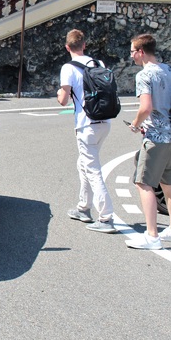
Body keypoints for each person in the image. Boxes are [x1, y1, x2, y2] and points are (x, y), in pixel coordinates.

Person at [56, 29, 117, 233]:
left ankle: (106, 217)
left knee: (92, 169)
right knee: (83, 164)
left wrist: (59, 93)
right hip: (104, 121)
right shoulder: (98, 64)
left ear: (67, 47)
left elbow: (63, 99)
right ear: (84, 45)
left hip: (86, 124)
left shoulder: (68, 67)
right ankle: (83, 207)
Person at [124, 34, 171, 250]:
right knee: (169, 184)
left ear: (141, 52)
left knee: (143, 183)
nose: (132, 55)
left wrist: (135, 124)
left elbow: (146, 107)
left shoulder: (144, 75)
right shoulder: (169, 70)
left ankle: (152, 236)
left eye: (133, 51)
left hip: (155, 137)